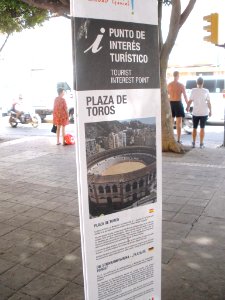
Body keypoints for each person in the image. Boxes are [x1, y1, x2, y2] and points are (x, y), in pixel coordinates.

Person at [186, 77, 212, 149]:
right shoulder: (206, 91)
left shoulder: (193, 90)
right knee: (202, 128)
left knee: (194, 128)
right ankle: (201, 144)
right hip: (204, 112)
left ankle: (193, 143)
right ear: (203, 82)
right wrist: (210, 111)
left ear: (196, 82)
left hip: (196, 113)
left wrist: (187, 107)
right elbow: (209, 102)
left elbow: (190, 101)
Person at [167, 71, 188, 143]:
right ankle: (178, 140)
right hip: (178, 103)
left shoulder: (169, 85)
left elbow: (166, 96)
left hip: (171, 103)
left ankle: (171, 139)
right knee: (179, 123)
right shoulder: (181, 85)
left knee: (171, 122)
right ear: (178, 76)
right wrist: (188, 105)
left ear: (173, 75)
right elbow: (185, 96)